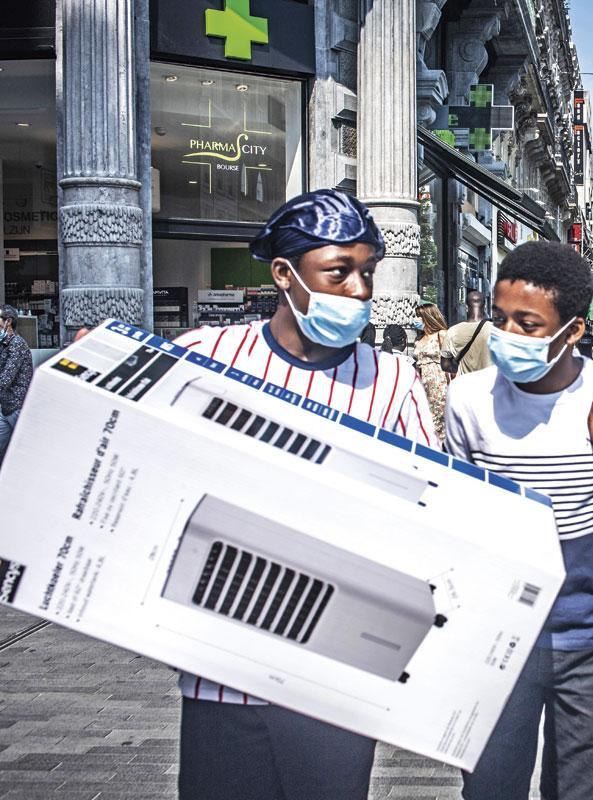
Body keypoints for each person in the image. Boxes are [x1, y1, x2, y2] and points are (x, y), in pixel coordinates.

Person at [171, 189, 435, 800]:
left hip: (335, 674)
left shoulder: (389, 378)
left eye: (367, 273)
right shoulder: (204, 358)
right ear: (285, 275)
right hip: (221, 672)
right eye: (339, 272)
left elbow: (429, 501)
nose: (360, 291)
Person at [444, 241, 593, 800]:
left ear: (573, 330)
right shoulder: (468, 398)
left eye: (528, 324)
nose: (507, 335)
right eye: (499, 319)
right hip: (495, 637)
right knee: (488, 789)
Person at [412, 302, 451, 443]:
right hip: (422, 383)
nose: (415, 319)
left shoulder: (441, 335)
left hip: (438, 382)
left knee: (438, 419)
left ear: (427, 317)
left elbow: (451, 362)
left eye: (418, 316)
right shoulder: (418, 339)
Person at [0, 305, 34, 465]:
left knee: (26, 454)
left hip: (18, 407)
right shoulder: (3, 345)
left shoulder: (17, 345)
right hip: (6, 408)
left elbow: (5, 380)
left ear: (8, 322)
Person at [440, 289, 492, 376]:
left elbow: (445, 365)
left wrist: (460, 368)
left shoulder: (453, 331)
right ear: (485, 307)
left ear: (466, 307)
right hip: (492, 385)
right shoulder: (495, 329)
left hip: (466, 385)